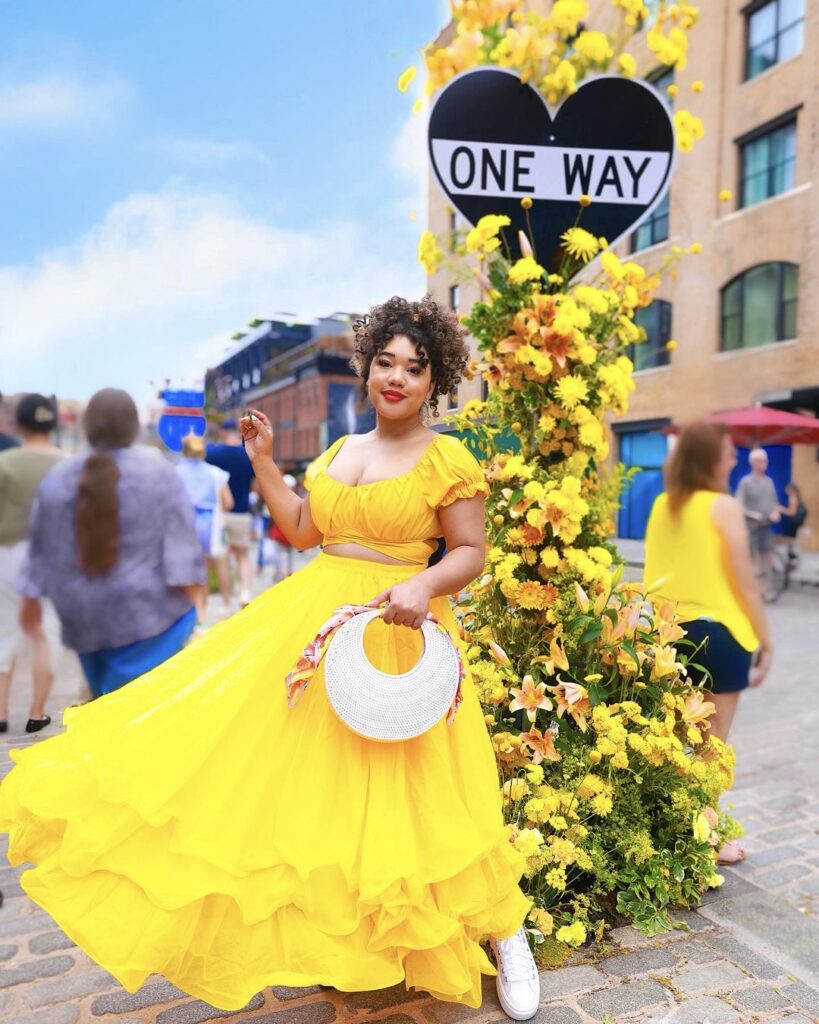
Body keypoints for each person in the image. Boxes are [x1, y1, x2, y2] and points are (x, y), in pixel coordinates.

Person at [0, 298, 538, 1021]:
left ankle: (506, 931)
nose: (397, 378)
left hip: (401, 625)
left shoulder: (448, 458)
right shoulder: (341, 453)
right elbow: (298, 529)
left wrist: (424, 581)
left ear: (434, 381)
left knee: (434, 786)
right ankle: (355, 938)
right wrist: (259, 461)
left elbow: (471, 551)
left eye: (415, 368)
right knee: (317, 784)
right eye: (386, 362)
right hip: (314, 621)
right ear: (367, 367)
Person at [16, 388, 205, 699]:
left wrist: (30, 601)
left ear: (87, 427)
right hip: (151, 619)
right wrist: (195, 607)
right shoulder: (160, 472)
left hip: (83, 622)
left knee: (105, 693)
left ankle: (97, 696)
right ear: (134, 427)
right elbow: (182, 556)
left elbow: (41, 551)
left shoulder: (58, 477)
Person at [644, 421, 773, 865]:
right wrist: (766, 640)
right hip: (719, 635)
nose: (734, 458)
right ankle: (707, 838)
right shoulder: (723, 506)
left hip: (670, 635)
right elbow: (746, 583)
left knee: (682, 737)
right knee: (712, 744)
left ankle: (680, 826)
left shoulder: (663, 504)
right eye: (728, 452)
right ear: (708, 458)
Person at [0, 394, 64, 733]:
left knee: (4, 631)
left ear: (19, 424)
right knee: (46, 634)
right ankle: (37, 712)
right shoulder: (70, 465)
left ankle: (0, 713)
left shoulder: (5, 463)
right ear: (52, 423)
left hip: (7, 554)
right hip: (53, 557)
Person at [176, 432, 234, 624]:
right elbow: (228, 502)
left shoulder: (175, 472)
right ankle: (201, 615)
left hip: (182, 526)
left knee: (185, 574)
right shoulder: (214, 473)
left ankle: (189, 616)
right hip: (207, 527)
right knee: (203, 575)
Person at [206, 418, 256, 607]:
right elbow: (254, 484)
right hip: (241, 511)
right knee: (243, 555)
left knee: (223, 556)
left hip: (219, 512)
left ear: (222, 432)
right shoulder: (247, 455)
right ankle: (245, 593)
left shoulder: (212, 454)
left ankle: (226, 601)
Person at [735, 448, 780, 589]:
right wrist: (751, 514)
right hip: (751, 529)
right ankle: (750, 591)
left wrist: (775, 512)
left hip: (766, 528)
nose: (763, 463)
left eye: (764, 461)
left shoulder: (769, 482)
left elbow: (774, 503)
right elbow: (739, 504)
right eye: (760, 461)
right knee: (752, 562)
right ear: (753, 462)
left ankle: (765, 590)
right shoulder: (745, 482)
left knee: (767, 558)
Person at [778, 481, 806, 564]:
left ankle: (792, 560)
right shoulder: (797, 497)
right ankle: (791, 559)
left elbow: (792, 512)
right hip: (794, 523)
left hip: (792, 522)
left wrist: (782, 509)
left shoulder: (792, 498)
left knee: (790, 541)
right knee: (791, 542)